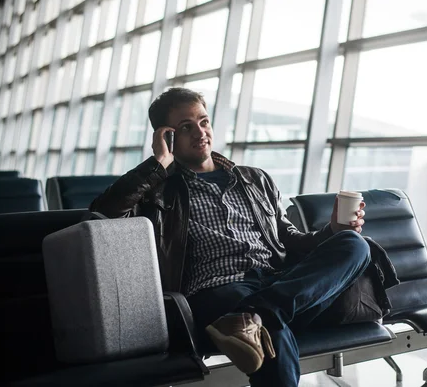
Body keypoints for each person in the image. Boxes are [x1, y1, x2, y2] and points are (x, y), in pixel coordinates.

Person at [90, 87, 369, 387]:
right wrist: (158, 163)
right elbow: (102, 214)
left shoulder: (255, 179)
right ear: (166, 136)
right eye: (186, 127)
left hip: (277, 283)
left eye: (203, 121)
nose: (200, 132)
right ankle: (259, 316)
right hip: (216, 290)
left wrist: (332, 233)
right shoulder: (159, 192)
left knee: (354, 244)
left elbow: (287, 239)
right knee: (269, 336)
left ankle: (257, 314)